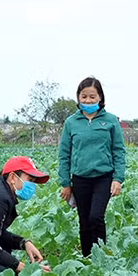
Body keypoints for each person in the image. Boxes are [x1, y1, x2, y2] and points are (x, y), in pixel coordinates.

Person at [58, 77, 126, 257]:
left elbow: (118, 151)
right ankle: (88, 258)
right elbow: (64, 154)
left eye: (92, 97)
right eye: (84, 96)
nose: (88, 100)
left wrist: (118, 178)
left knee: (96, 216)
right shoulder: (71, 122)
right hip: (80, 179)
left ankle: (101, 256)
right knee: (84, 220)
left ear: (100, 98)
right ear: (78, 98)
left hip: (103, 178)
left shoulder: (110, 121)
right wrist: (65, 182)